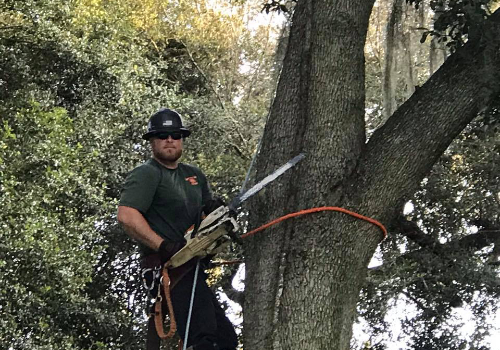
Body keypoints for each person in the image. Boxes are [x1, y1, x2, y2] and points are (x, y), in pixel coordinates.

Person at [117, 108, 238, 350]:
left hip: (192, 265)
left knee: (225, 339)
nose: (169, 140)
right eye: (162, 135)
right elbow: (127, 216)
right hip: (168, 270)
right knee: (203, 338)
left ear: (182, 139)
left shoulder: (194, 176)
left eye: (175, 135)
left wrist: (213, 210)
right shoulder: (147, 174)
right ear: (152, 141)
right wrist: (163, 245)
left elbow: (204, 221)